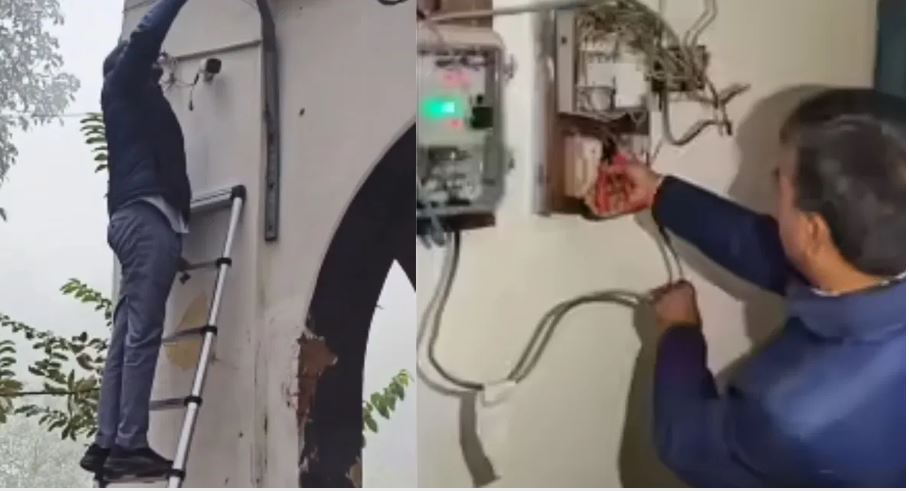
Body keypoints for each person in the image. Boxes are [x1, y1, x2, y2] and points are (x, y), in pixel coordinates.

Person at [607, 88, 905, 486]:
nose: (739, 186)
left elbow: (688, 444)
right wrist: (660, 193)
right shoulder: (865, 265)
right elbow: (781, 257)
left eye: (779, 180)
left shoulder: (790, 414)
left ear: (813, 230)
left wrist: (679, 331)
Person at [79, 0, 191, 480]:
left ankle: (107, 441)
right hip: (146, 220)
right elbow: (146, 36)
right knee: (142, 335)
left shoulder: (135, 104)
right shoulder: (122, 84)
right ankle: (129, 443)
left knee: (126, 337)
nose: (154, 70)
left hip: (140, 222)